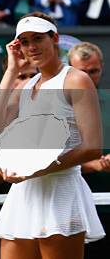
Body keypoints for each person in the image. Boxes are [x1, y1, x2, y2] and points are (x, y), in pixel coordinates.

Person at [0, 12, 105, 258]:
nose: (31, 47)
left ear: (55, 39)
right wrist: (11, 71)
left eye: (37, 39)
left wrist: (35, 171)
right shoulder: (27, 85)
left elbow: (92, 148)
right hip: (24, 194)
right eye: (25, 41)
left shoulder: (76, 79)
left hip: (61, 192)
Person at [0, 56, 39, 259]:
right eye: (22, 75)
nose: (28, 81)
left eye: (33, 75)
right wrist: (15, 171)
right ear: (10, 77)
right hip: (3, 208)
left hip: (47, 203)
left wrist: (37, 169)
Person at [68, 42, 110, 259]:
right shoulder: (58, 106)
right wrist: (91, 165)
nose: (88, 77)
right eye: (82, 72)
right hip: (72, 208)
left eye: (93, 71)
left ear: (102, 67)